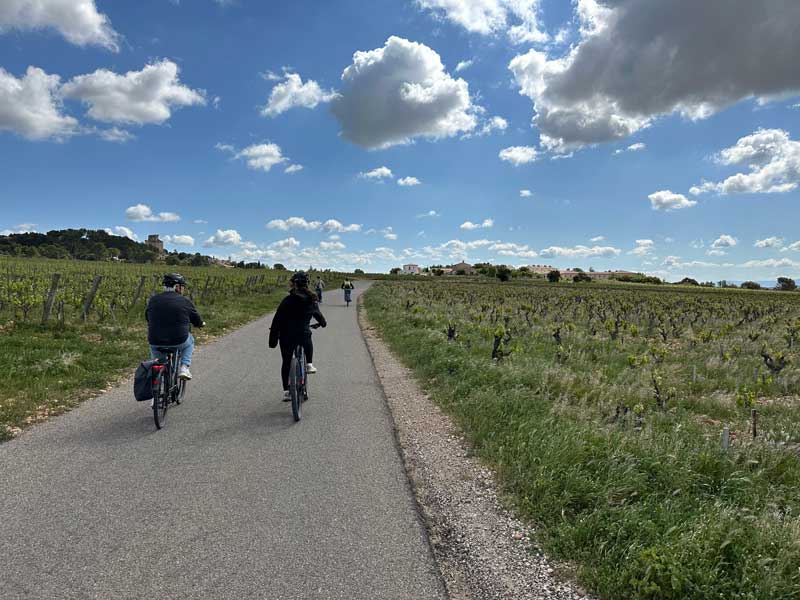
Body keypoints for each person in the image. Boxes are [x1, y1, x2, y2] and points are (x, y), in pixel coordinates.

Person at [269, 271, 327, 401]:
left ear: (293, 284)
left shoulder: (287, 300)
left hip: (286, 336)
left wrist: (273, 339)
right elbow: (318, 315)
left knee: (286, 363)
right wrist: (322, 324)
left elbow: (277, 320)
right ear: (307, 284)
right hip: (303, 335)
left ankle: (287, 392)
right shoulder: (311, 299)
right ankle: (309, 364)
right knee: (307, 336)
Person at [145, 273, 205, 380]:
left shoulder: (153, 300)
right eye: (182, 287)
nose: (182, 290)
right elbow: (195, 318)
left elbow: (147, 317)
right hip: (179, 340)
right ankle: (184, 367)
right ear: (177, 287)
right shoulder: (185, 301)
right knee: (190, 341)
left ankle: (158, 377)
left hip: (155, 340)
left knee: (158, 362)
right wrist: (200, 324)